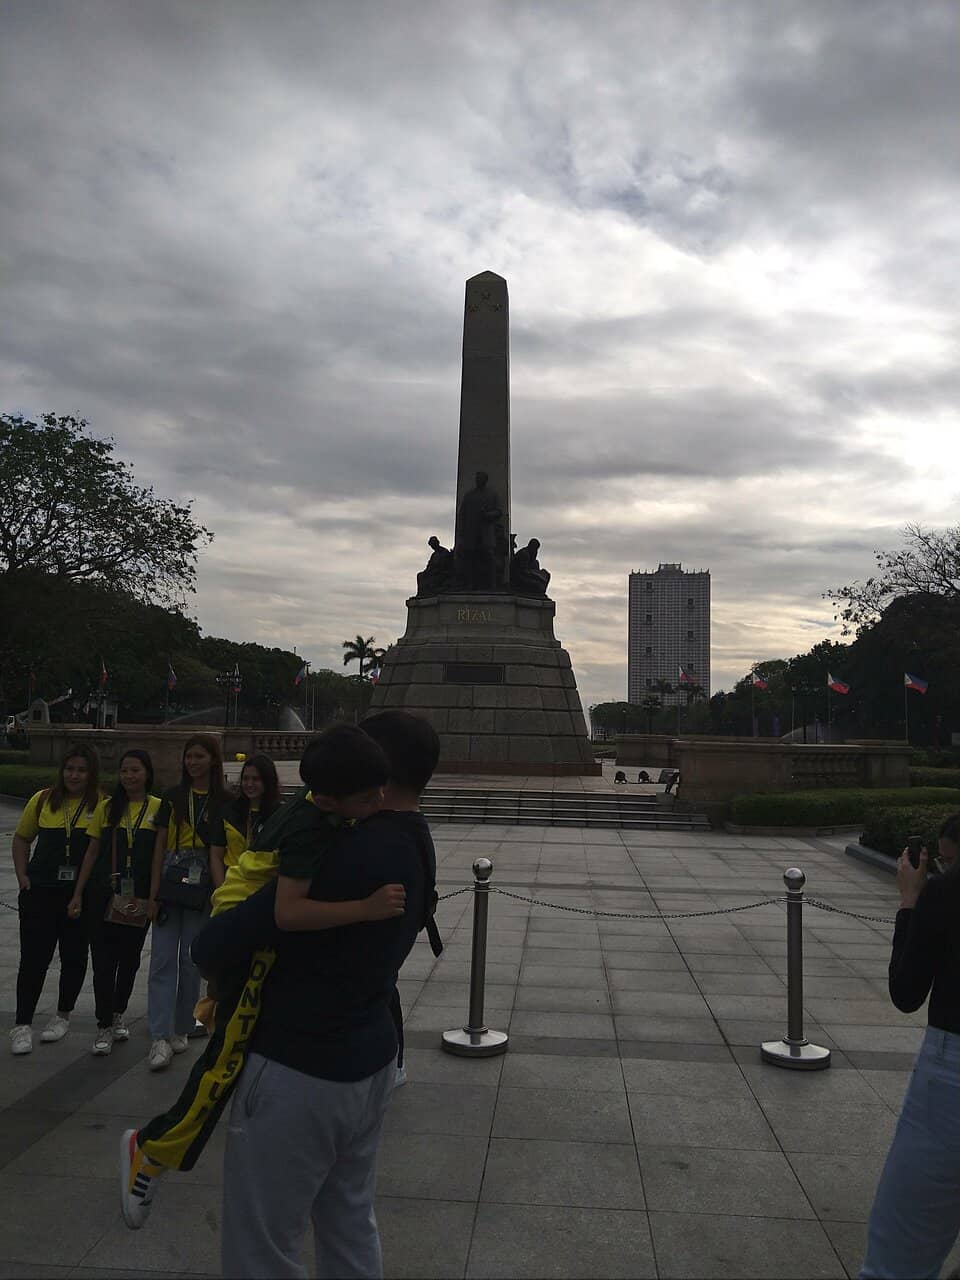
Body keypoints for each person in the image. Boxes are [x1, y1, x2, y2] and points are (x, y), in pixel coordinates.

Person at [119, 723, 402, 1229]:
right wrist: (365, 907)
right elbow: (288, 913)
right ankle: (151, 1150)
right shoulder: (309, 830)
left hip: (243, 932)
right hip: (242, 943)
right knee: (225, 1063)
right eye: (369, 795)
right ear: (333, 801)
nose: (382, 799)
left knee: (229, 1055)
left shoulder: (318, 809)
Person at [212, 710, 441, 1279]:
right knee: (349, 1221)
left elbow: (215, 946)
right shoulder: (414, 839)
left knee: (262, 1241)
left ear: (377, 774)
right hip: (370, 1056)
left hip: (301, 1067)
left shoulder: (338, 855)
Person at [859, 813, 960, 1279]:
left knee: (897, 1260)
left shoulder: (945, 893)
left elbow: (906, 992)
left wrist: (910, 900)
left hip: (951, 1081)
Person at [69, 750, 169, 1056]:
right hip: (103, 893)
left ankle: (117, 1013)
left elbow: (158, 858)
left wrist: (154, 897)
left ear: (147, 774)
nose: (129, 776)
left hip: (136, 896)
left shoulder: (159, 808)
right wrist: (77, 892)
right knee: (102, 961)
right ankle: (103, 1024)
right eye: (125, 771)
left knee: (129, 960)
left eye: (135, 771)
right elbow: (91, 852)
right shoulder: (107, 807)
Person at [9, 743, 102, 1055]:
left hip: (80, 895)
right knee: (33, 958)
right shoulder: (43, 800)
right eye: (70, 769)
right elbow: (22, 838)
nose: (74, 775)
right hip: (41, 892)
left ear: (91, 774)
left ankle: (62, 1015)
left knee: (74, 956)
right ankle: (22, 1024)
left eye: (81, 770)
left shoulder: (101, 804)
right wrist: (23, 877)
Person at [147, 734, 228, 1072]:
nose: (192, 762)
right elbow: (159, 848)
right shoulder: (173, 797)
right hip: (171, 877)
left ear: (213, 760)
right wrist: (152, 896)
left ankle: (182, 1026)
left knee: (192, 960)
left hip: (203, 882)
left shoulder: (224, 800)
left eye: (199, 756)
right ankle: (159, 1036)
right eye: (188, 757)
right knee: (163, 961)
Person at [210, 753, 281, 890]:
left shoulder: (280, 815)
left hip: (263, 887)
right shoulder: (227, 811)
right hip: (230, 885)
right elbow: (216, 855)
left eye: (256, 779)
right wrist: (221, 889)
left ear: (268, 781)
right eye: (245, 778)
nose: (249, 784)